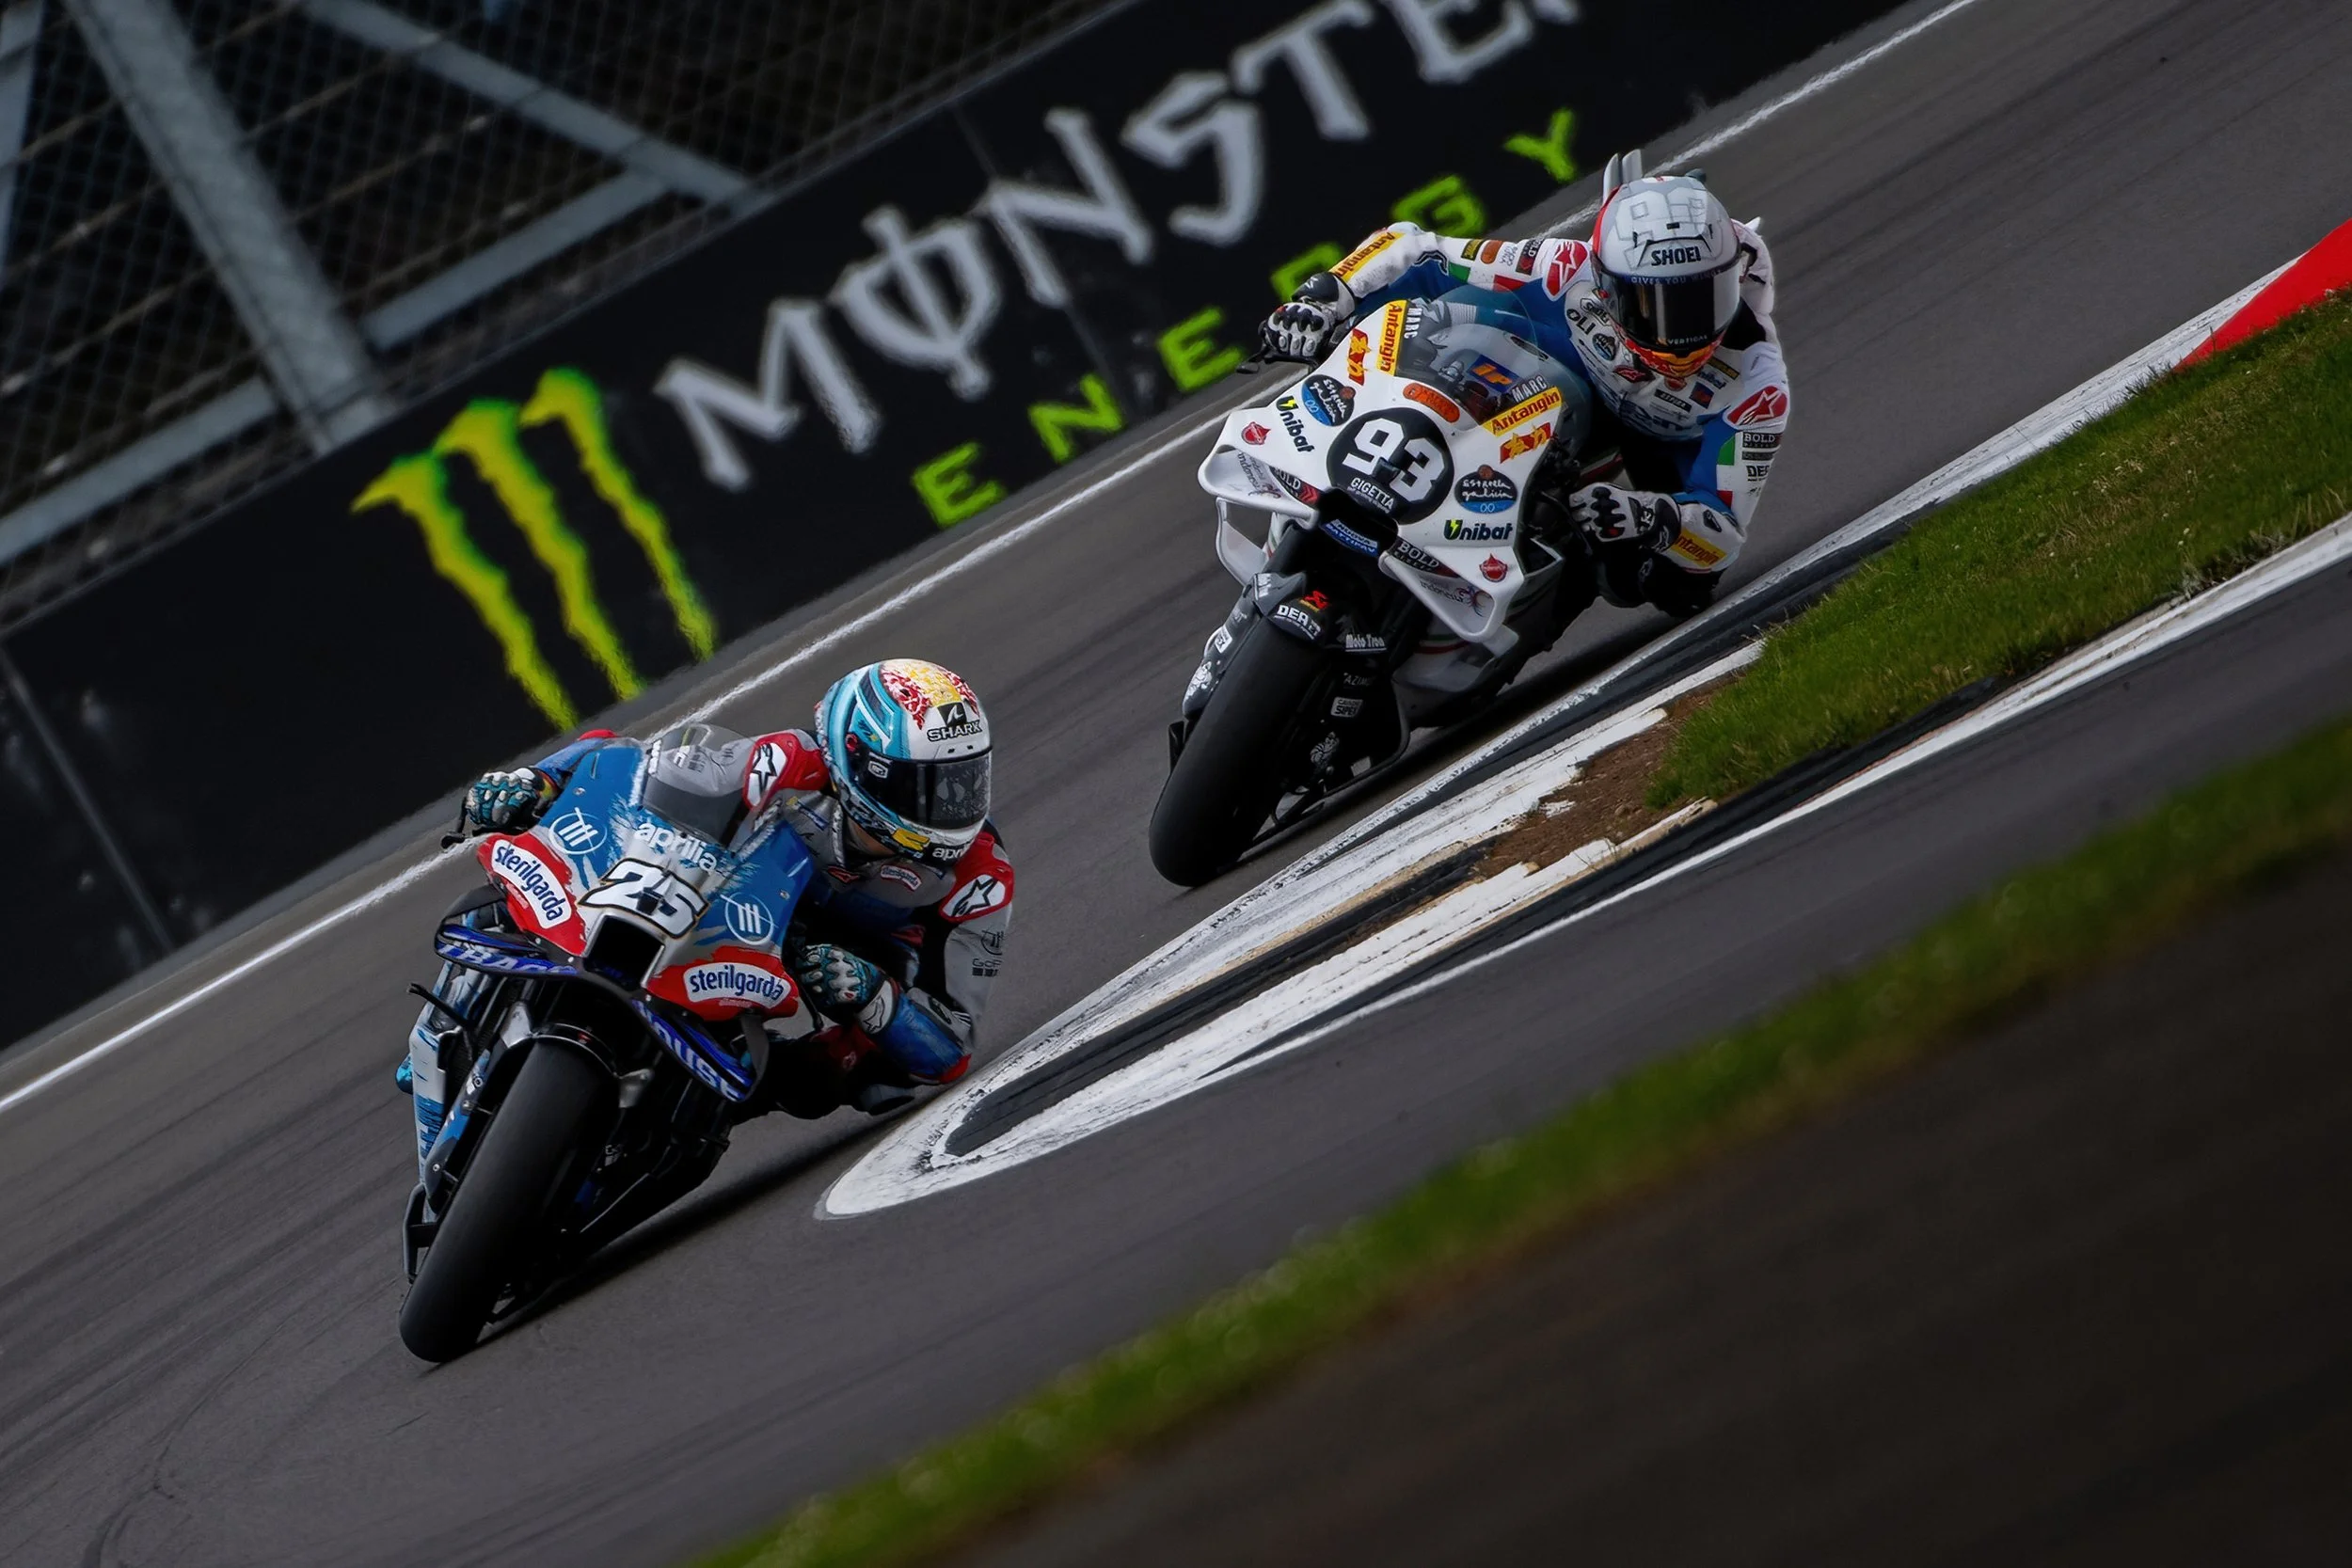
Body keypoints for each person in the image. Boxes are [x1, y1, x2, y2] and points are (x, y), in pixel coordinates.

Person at [401, 658, 1012, 1143]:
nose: (951, 803)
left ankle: (665, 1128)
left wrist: (873, 994)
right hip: (740, 921)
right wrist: (537, 781)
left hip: (842, 979)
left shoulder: (980, 873)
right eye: (926, 785)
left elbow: (951, 1045)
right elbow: (632, 761)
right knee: (492, 906)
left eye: (963, 781)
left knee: (818, 1081)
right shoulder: (787, 763)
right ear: (862, 766)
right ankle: (437, 1038)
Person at [1260, 150, 1789, 617]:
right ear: (1606, 285)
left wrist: (1651, 516)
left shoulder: (1758, 387)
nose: (1680, 333)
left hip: (1655, 451)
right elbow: (1414, 248)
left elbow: (1723, 532)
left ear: (1732, 279)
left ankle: (1531, 602)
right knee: (1424, 316)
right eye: (1655, 306)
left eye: (1702, 300)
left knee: (1673, 587)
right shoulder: (1563, 269)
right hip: (1545, 383)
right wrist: (1323, 298)